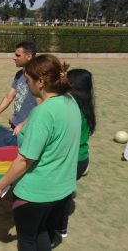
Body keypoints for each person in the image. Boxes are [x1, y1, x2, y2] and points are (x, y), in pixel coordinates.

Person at [0, 54, 81, 251]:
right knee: (42, 231)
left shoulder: (42, 113)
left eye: (28, 80)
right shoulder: (69, 101)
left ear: (41, 81)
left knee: (27, 239)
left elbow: (24, 160)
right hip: (60, 189)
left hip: (35, 193)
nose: (26, 85)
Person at [52, 69, 97, 240]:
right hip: (82, 159)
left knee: (58, 199)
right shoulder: (86, 107)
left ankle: (59, 228)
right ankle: (60, 227)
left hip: (70, 160)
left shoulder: (72, 108)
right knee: (64, 195)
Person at [0, 42, 39, 135]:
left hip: (30, 127)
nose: (14, 57)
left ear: (28, 56)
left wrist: (23, 124)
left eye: (18, 55)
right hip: (15, 126)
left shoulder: (39, 77)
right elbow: (9, 97)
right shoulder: (19, 74)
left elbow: (41, 107)